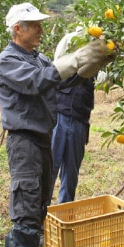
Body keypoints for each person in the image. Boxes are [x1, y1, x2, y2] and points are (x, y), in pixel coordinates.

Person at [0, 2, 114, 247]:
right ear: (17, 29)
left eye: (40, 24)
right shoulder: (8, 61)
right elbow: (37, 82)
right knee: (25, 217)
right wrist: (75, 59)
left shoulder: (39, 58)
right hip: (24, 143)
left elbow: (57, 82)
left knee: (39, 210)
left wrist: (90, 64)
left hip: (43, 141)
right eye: (34, 25)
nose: (40, 30)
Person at [48, 27, 103, 205]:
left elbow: (103, 77)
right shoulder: (69, 40)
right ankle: (41, 215)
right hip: (60, 116)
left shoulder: (99, 47)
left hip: (80, 118)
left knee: (71, 174)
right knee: (50, 168)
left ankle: (64, 213)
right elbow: (57, 65)